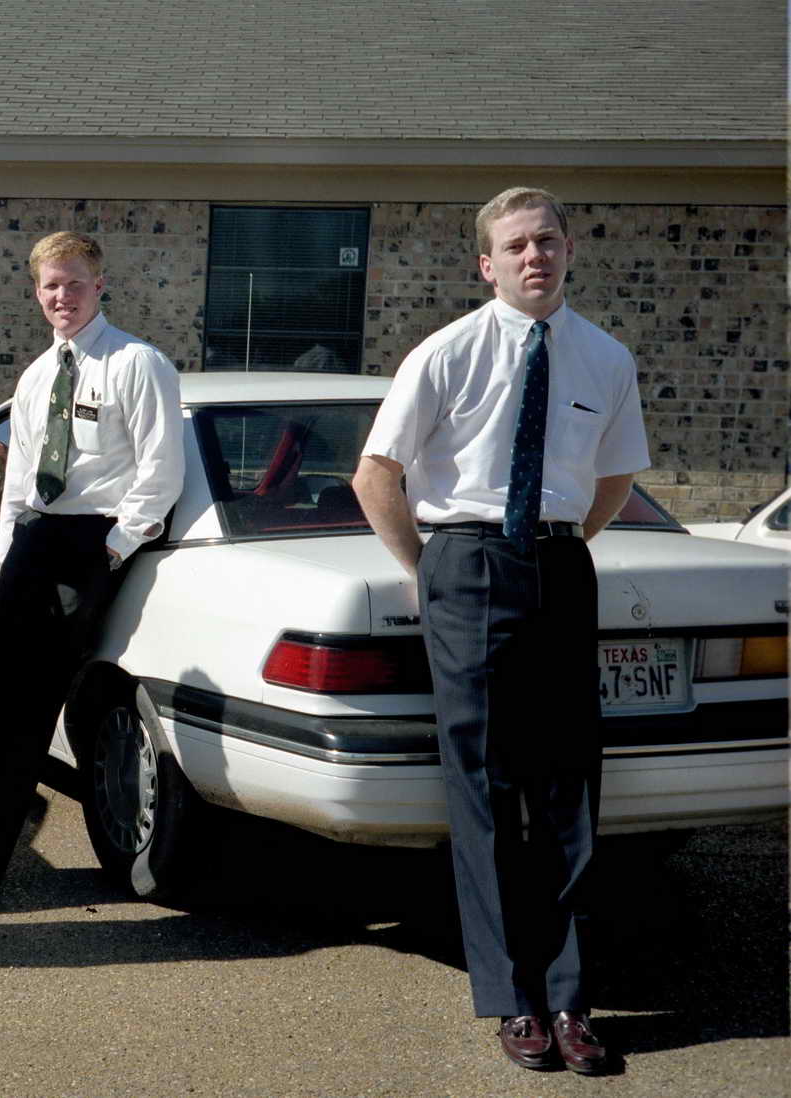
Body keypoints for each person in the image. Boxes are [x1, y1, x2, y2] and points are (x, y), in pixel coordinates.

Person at [352, 187, 649, 1074]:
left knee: (566, 787)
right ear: (486, 263)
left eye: (547, 241)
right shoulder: (445, 353)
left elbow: (614, 481)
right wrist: (433, 570)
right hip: (465, 564)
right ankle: (510, 999)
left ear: (568, 250)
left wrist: (556, 550)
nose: (534, 257)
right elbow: (377, 476)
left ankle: (568, 999)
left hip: (558, 565)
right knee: (482, 789)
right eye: (515, 245)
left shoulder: (604, 358)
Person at [0, 230, 184, 906]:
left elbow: (159, 471)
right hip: (32, 542)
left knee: (24, 718)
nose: (62, 297)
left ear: (99, 283)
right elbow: (20, 476)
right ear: (36, 291)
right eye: (50, 285)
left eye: (74, 283)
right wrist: (8, 546)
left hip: (88, 545)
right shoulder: (37, 373)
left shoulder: (137, 364)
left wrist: (109, 552)